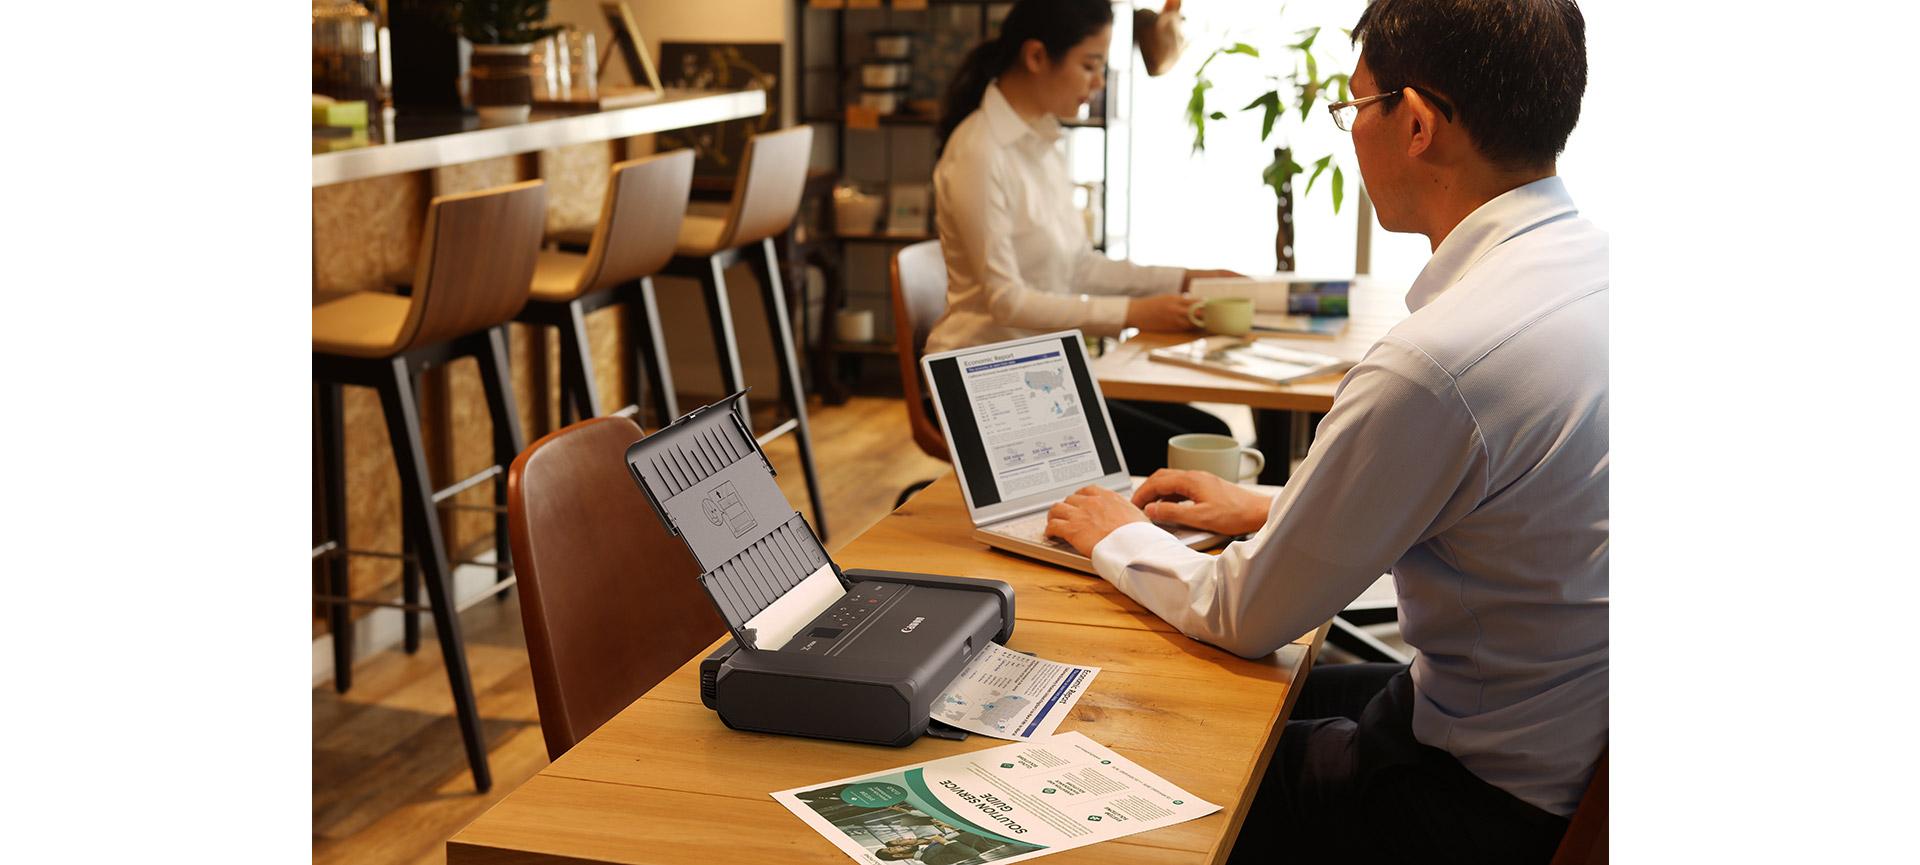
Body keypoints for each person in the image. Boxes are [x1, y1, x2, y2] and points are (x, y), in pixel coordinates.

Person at [1041, 1, 1605, 862]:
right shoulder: (1596, 271)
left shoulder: (1438, 362)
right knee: (1284, 693)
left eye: (1354, 106)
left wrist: (1117, 534)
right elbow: (1510, 505)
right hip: (1569, 750)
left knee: (1150, 745)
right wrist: (1273, 506)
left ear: (1415, 124)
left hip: (1480, 804)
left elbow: (1242, 612)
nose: (1350, 131)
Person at [925, 0, 1240, 473]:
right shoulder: (980, 151)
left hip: (1039, 373)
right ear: (1036, 56)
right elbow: (1006, 301)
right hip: (982, 381)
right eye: (1090, 65)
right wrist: (1134, 312)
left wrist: (1183, 280)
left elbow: (1078, 266)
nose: (1098, 83)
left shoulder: (1041, 141)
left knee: (1211, 434)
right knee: (1194, 453)